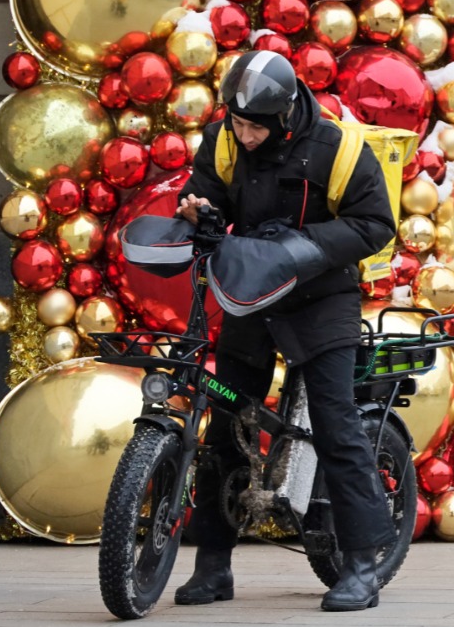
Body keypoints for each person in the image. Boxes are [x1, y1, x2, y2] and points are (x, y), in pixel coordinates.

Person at [172, 50, 398, 611]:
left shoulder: (339, 148)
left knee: (335, 425)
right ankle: (213, 566)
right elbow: (210, 198)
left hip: (322, 301)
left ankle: (361, 567)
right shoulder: (224, 139)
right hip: (251, 297)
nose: (243, 134)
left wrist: (305, 248)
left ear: (283, 116)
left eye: (253, 126)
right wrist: (199, 211)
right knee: (225, 424)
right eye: (236, 122)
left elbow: (375, 225)